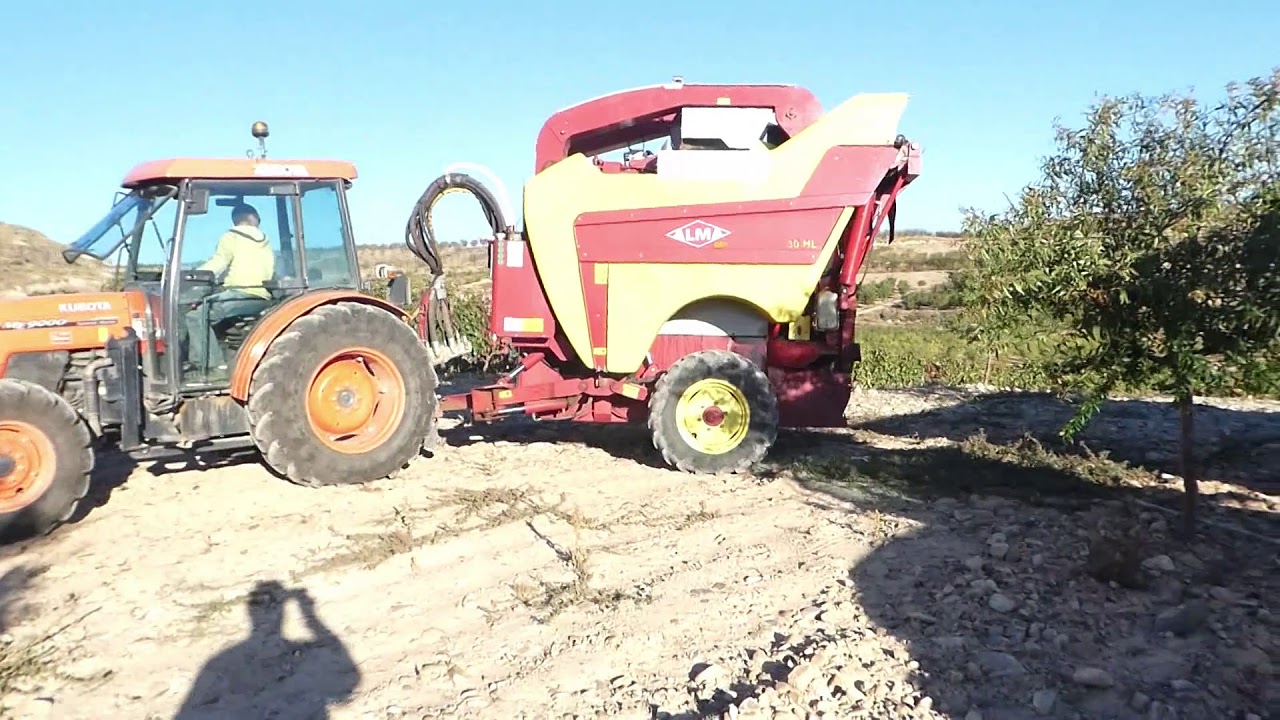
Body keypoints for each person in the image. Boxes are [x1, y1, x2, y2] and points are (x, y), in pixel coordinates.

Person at [184, 204, 275, 375]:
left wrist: (193, 277)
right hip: (261, 295)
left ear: (237, 220)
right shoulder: (265, 240)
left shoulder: (231, 237)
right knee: (209, 309)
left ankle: (213, 368)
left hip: (242, 293)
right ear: (253, 218)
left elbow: (218, 264)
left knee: (195, 316)